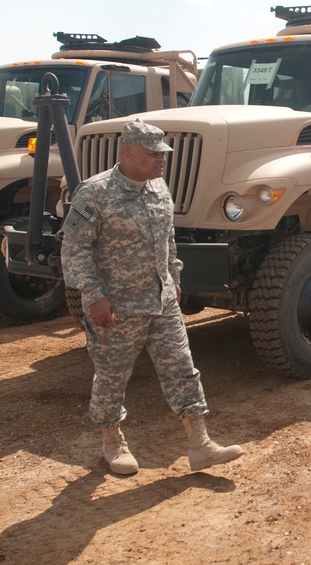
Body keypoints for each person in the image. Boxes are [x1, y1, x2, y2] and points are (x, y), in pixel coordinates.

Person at [61, 119, 243, 475]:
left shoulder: (159, 188)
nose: (161, 160)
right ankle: (112, 441)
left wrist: (173, 278)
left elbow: (168, 240)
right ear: (128, 153)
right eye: (152, 154)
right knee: (112, 377)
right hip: (115, 309)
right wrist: (93, 296)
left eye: (163, 154)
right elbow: (75, 248)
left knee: (183, 370)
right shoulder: (94, 193)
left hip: (161, 303)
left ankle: (200, 444)